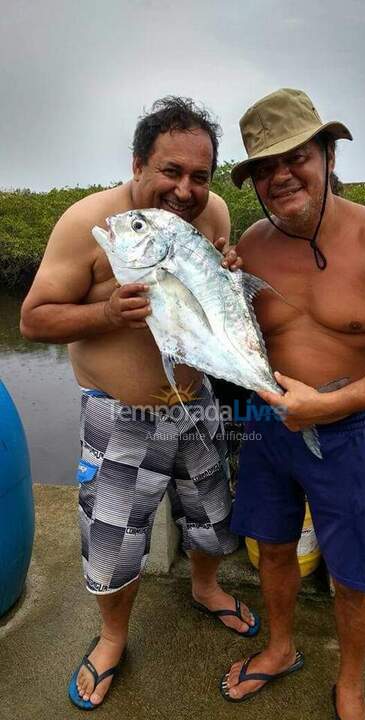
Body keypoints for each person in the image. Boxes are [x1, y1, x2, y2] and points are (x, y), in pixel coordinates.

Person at [20, 96, 259, 710]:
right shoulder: (87, 222)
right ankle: (112, 636)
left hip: (196, 402)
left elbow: (209, 313)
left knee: (211, 515)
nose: (185, 190)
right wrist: (106, 312)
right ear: (137, 164)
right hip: (119, 417)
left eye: (199, 177)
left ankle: (205, 588)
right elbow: (33, 320)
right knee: (112, 540)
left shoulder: (216, 214)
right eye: (170, 172)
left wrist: (223, 276)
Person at [220, 88, 365, 720]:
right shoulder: (252, 242)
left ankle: (350, 682)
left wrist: (331, 405)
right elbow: (231, 338)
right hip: (267, 429)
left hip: (347, 433)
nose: (279, 176)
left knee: (356, 574)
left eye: (293, 156)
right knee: (272, 546)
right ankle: (278, 648)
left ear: (327, 152)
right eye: (263, 168)